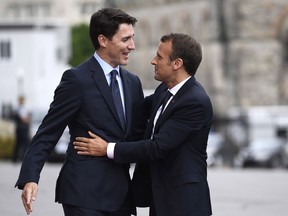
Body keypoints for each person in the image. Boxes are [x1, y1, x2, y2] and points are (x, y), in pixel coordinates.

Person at [15, 7, 146, 216]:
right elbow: (49, 131)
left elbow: (139, 134)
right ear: (103, 40)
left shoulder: (133, 83)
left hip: (121, 196)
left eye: (132, 38)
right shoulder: (76, 80)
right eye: (125, 39)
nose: (132, 46)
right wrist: (30, 177)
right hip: (84, 194)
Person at [74, 33, 213, 216]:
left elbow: (157, 147)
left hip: (184, 202)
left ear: (177, 64)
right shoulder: (165, 90)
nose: (153, 61)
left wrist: (107, 148)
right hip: (161, 198)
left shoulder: (194, 101)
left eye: (159, 57)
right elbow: (133, 109)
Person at [12, 95, 31, 163]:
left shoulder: (25, 108)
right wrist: (25, 120)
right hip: (20, 128)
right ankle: (16, 158)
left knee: (24, 143)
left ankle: (21, 157)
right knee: (19, 143)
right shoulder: (18, 109)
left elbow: (28, 117)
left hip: (24, 128)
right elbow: (22, 119)